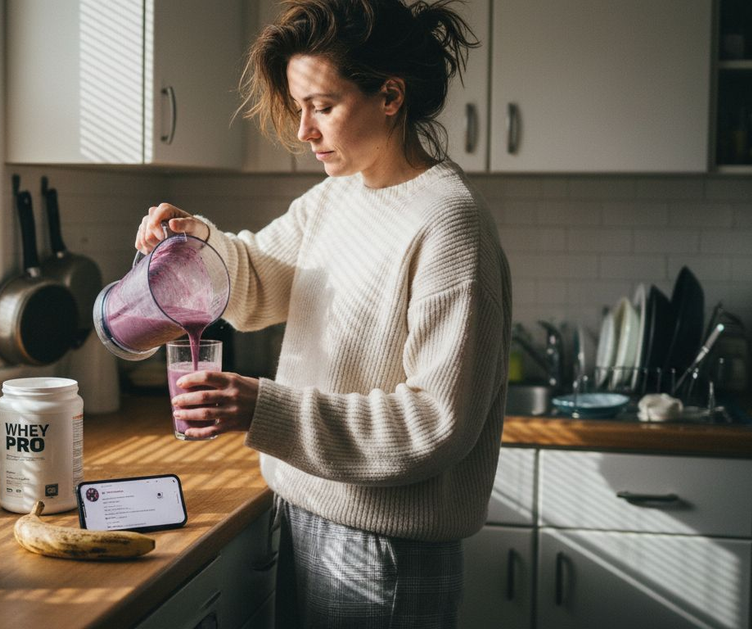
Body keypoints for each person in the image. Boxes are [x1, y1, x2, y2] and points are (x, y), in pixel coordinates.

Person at [133, 0, 511, 626]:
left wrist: (264, 406)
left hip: (387, 552)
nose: (304, 130)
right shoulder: (336, 197)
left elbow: (434, 422)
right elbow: (259, 276)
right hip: (305, 511)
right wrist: (193, 240)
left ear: (390, 96)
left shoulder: (448, 223)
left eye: (322, 106)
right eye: (299, 107)